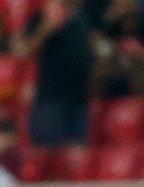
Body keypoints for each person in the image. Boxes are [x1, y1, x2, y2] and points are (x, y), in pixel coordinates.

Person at [24, 0, 93, 147]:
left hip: (79, 97)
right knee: (49, 152)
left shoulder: (83, 16)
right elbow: (28, 49)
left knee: (78, 153)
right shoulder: (44, 14)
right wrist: (47, 28)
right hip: (52, 99)